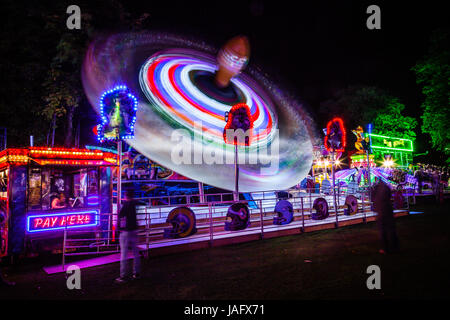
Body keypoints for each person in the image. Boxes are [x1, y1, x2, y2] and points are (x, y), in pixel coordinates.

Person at [115, 189, 141, 283]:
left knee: (124, 254)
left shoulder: (126, 205)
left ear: (126, 196)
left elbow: (121, 217)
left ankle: (123, 275)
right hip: (135, 230)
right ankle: (136, 273)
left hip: (126, 231)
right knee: (135, 253)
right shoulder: (135, 203)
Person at [371, 179, 399, 254]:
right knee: (391, 230)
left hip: (381, 211)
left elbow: (374, 199)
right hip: (387, 210)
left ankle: (385, 248)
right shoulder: (386, 188)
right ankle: (394, 247)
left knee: (383, 231)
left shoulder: (377, 190)